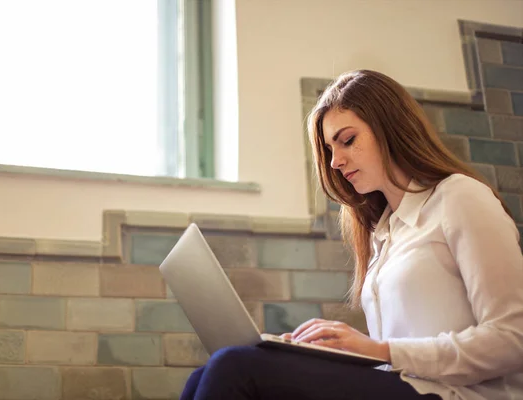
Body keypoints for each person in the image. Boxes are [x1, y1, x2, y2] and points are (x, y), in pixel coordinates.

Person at [179, 69, 523, 400]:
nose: (335, 162)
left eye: (347, 140)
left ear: (391, 128)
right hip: (404, 387)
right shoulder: (384, 234)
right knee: (208, 372)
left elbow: (513, 338)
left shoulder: (460, 197)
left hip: (458, 394)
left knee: (236, 368)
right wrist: (316, 352)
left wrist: (379, 350)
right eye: (330, 149)